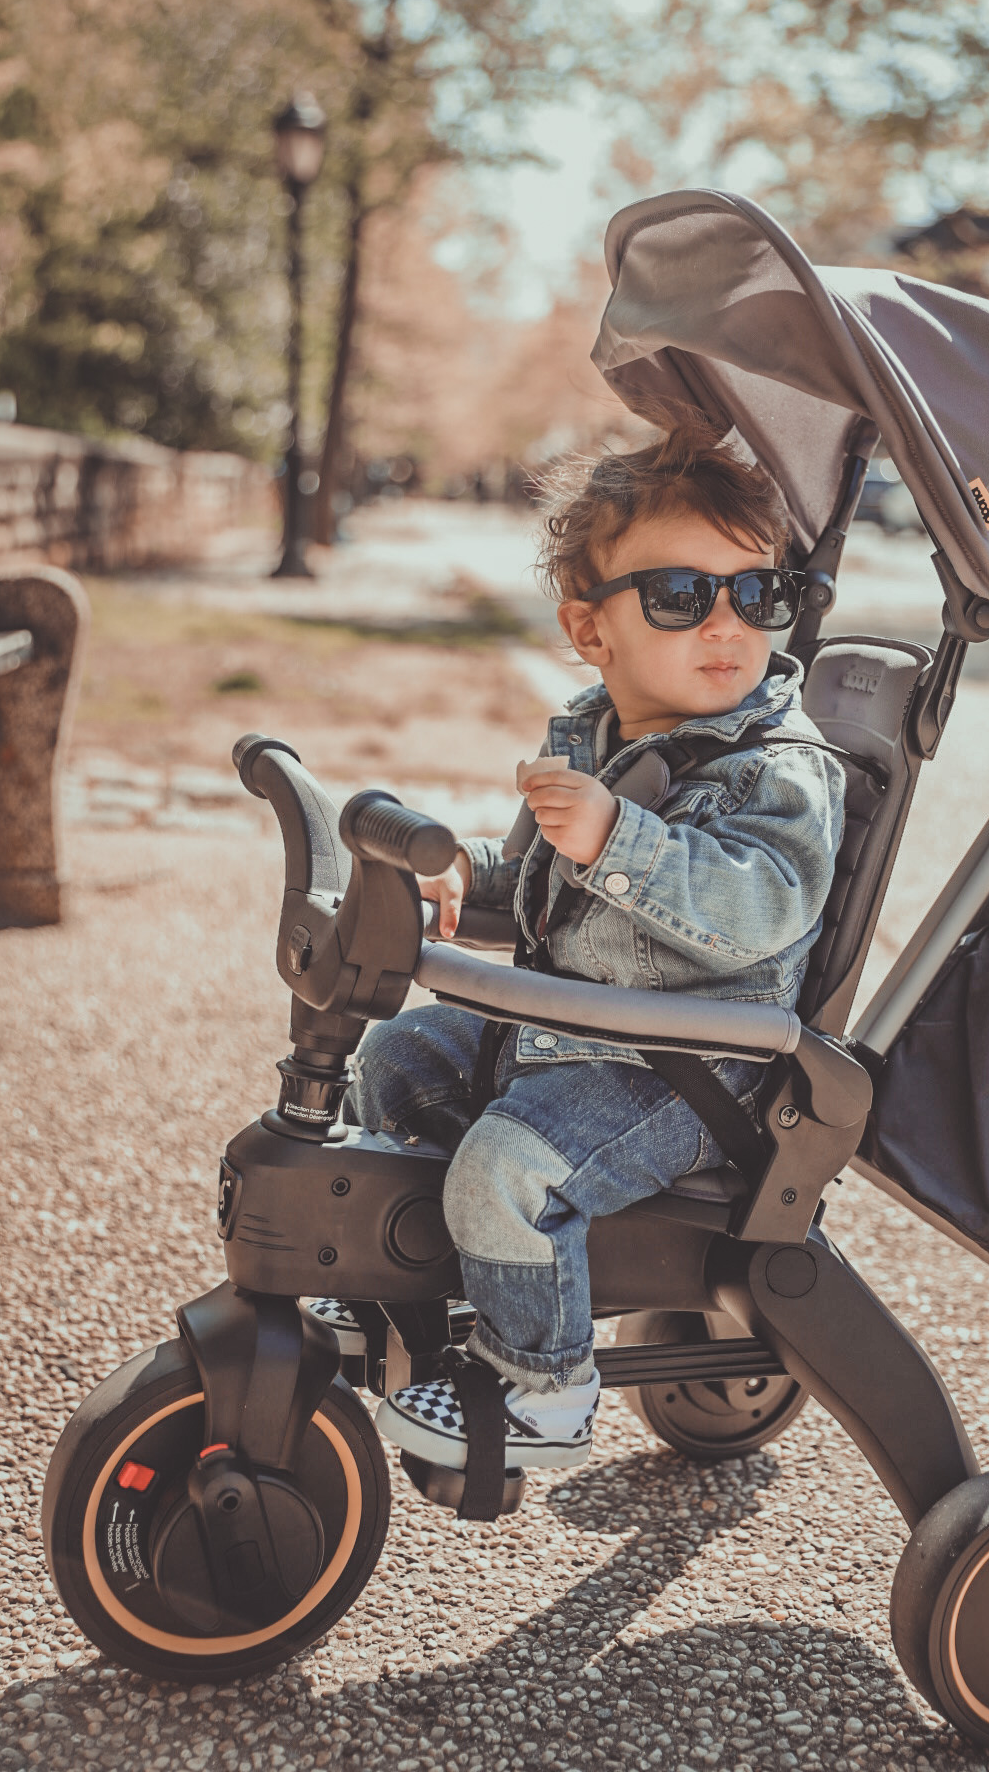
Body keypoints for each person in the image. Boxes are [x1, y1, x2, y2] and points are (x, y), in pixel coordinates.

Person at [328, 419, 848, 1474]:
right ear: (588, 629)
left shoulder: (776, 771)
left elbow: (757, 909)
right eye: (678, 596)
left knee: (506, 1168)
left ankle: (540, 1385)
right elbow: (537, 872)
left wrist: (621, 840)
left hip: (693, 1071)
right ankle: (413, 1277)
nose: (725, 625)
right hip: (576, 1034)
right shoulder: (592, 730)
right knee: (396, 1055)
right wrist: (468, 873)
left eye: (757, 595)